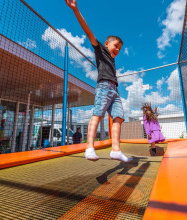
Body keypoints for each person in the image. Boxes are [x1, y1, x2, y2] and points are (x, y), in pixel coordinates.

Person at [65, 0, 132, 163]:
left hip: (115, 90)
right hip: (104, 87)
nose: (117, 50)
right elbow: (88, 31)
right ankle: (89, 148)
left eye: (120, 49)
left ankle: (116, 150)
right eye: (115, 46)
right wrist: (75, 10)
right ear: (107, 43)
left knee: (118, 118)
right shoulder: (100, 50)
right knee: (98, 115)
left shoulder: (113, 60)